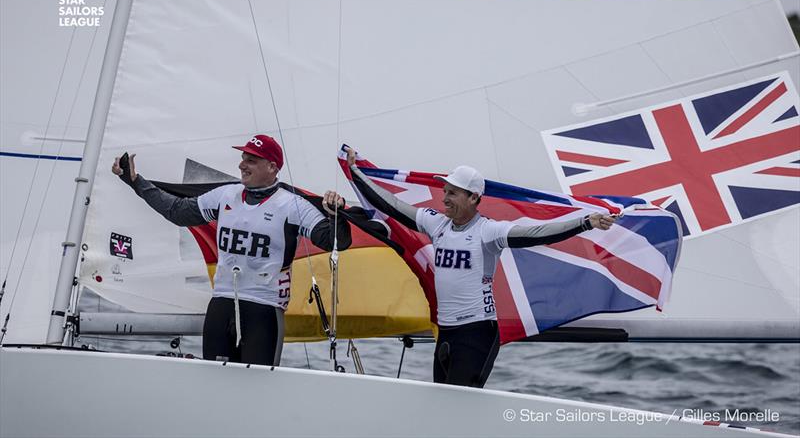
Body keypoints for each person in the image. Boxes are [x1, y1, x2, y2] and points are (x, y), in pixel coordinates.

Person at [345, 147, 615, 388]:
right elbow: (390, 205)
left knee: (460, 412)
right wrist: (355, 171)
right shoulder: (436, 223)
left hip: (477, 333)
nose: (445, 198)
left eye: (452, 193)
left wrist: (585, 222)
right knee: (445, 409)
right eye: (444, 192)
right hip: (446, 332)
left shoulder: (489, 231)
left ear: (474, 198)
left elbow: (538, 232)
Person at [112, 135, 351, 366]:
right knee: (215, 387)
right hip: (222, 303)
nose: (242, 165)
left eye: (251, 160)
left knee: (257, 388)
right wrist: (136, 182)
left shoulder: (292, 205)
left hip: (263, 307)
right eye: (243, 158)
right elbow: (177, 212)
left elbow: (334, 241)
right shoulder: (226, 195)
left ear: (272, 167)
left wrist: (336, 215)